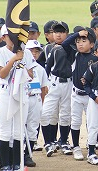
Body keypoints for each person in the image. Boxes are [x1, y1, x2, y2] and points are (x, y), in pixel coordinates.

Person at [0, 25, 35, 171]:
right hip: (5, 92)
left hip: (21, 92)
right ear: (4, 37)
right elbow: (2, 74)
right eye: (10, 36)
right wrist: (14, 59)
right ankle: (4, 164)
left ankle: (17, 163)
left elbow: (31, 75)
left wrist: (23, 69)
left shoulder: (26, 53)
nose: (14, 39)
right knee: (5, 130)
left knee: (18, 130)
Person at [62, 27, 97, 161]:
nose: (80, 43)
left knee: (92, 122)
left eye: (84, 40)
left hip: (90, 95)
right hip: (76, 94)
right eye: (78, 41)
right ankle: (76, 146)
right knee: (75, 121)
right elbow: (65, 44)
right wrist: (78, 33)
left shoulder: (95, 57)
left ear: (92, 44)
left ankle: (91, 145)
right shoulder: (74, 55)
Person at [41, 21, 72, 157]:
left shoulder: (71, 47)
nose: (58, 35)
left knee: (65, 114)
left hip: (69, 83)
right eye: (56, 32)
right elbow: (44, 66)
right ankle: (48, 142)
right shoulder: (48, 48)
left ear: (67, 34)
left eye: (62, 32)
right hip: (53, 82)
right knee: (45, 113)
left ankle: (64, 141)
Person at [23, 40, 49, 167]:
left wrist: (41, 104)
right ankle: (17, 154)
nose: (34, 53)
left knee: (32, 128)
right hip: (23, 99)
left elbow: (44, 89)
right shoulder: (20, 65)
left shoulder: (40, 69)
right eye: (31, 50)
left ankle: (28, 155)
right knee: (19, 128)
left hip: (36, 99)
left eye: (36, 51)